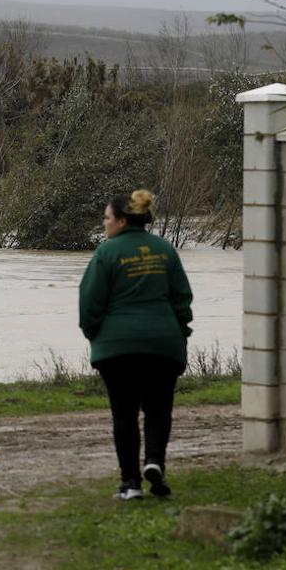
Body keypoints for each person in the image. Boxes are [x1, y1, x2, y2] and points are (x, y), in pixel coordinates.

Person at [78, 189, 193, 501]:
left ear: (122, 220)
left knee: (124, 414)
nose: (104, 224)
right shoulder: (166, 251)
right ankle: (154, 462)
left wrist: (95, 335)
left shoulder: (107, 253)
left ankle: (130, 483)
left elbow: (90, 303)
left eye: (107, 218)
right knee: (158, 409)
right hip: (163, 344)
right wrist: (179, 332)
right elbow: (182, 299)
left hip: (118, 349)